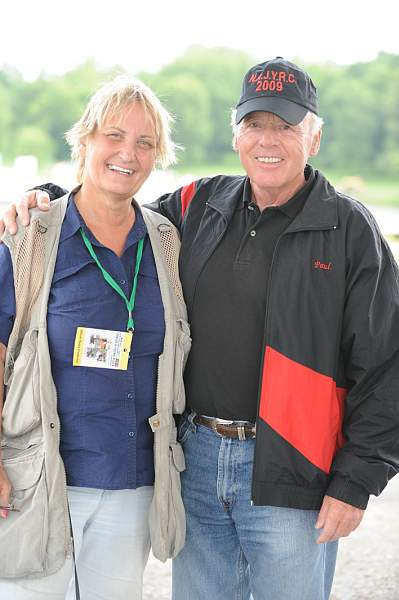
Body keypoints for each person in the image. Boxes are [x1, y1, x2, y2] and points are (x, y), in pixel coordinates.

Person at [3, 57, 399, 600]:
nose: (269, 141)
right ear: (236, 134)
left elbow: (385, 367)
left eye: (286, 126)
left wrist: (355, 483)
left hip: (293, 472)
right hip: (195, 462)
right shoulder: (198, 205)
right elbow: (110, 208)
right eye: (256, 124)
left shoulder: (351, 231)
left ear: (315, 135)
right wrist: (44, 196)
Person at [0, 75, 191, 600]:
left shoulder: (166, 240)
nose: (128, 153)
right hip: (39, 479)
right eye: (113, 135)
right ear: (83, 141)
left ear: (157, 156)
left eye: (145, 142)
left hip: (132, 481)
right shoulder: (30, 235)